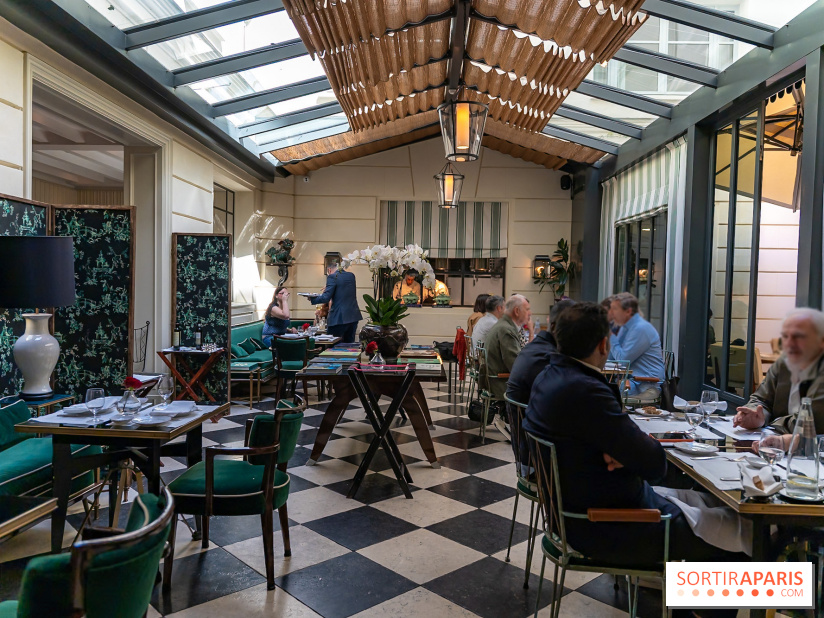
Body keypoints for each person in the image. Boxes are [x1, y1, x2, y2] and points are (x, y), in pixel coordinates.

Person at [522, 302, 748, 569]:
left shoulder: (549, 376)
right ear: (604, 345)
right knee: (741, 538)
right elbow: (654, 464)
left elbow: (638, 456)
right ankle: (697, 609)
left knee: (713, 505)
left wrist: (625, 451)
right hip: (610, 525)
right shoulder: (586, 391)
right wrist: (635, 450)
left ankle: (682, 602)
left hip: (582, 514)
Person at [506, 298, 575, 467]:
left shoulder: (537, 348)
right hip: (538, 466)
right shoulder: (547, 359)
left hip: (529, 453)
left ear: (549, 321)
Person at [734, 308, 824, 435]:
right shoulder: (784, 364)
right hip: (778, 446)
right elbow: (761, 399)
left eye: (799, 337)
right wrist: (755, 415)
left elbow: (811, 422)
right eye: (786, 337)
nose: (790, 343)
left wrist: (771, 423)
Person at [484, 295, 533, 439]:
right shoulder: (506, 329)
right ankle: (528, 433)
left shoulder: (505, 325)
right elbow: (516, 366)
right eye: (527, 309)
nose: (530, 313)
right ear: (517, 311)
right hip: (500, 382)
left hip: (498, 377)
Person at [609, 292, 665, 397]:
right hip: (633, 382)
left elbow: (622, 361)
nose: (611, 313)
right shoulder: (625, 328)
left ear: (628, 311)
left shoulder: (640, 328)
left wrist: (611, 336)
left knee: (608, 399)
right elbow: (612, 359)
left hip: (648, 385)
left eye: (615, 309)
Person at [309, 262, 361, 343]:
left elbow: (326, 298)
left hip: (338, 318)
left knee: (333, 346)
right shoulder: (351, 276)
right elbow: (343, 290)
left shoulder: (332, 277)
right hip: (353, 316)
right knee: (349, 345)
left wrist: (312, 299)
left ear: (329, 270)